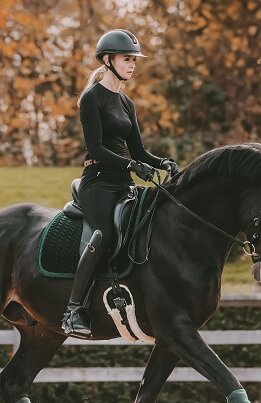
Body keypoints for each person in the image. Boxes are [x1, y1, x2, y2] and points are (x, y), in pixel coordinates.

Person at [61, 29, 179, 338]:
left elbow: (139, 151)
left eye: (134, 60)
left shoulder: (127, 103)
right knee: (104, 235)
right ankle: (74, 310)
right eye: (128, 59)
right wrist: (131, 164)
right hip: (97, 181)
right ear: (108, 60)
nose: (132, 65)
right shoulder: (91, 98)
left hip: (123, 182)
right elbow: (97, 148)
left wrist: (161, 162)